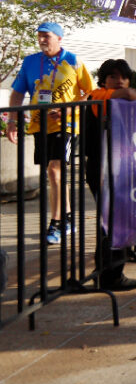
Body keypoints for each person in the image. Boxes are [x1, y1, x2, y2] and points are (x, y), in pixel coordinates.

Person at [6, 22, 95, 245]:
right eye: (39, 36)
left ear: (59, 38)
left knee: (55, 171)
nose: (42, 40)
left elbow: (91, 93)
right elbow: (17, 93)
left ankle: (55, 223)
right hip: (39, 124)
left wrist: (69, 109)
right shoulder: (30, 61)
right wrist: (12, 122)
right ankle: (66, 218)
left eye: (46, 36)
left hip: (66, 125)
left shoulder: (73, 61)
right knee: (53, 173)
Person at [86, 59, 136, 290]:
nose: (118, 81)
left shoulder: (118, 95)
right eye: (112, 77)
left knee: (117, 219)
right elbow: (128, 94)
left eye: (123, 77)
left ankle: (112, 269)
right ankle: (109, 276)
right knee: (110, 222)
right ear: (103, 80)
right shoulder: (97, 95)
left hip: (121, 167)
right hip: (102, 168)